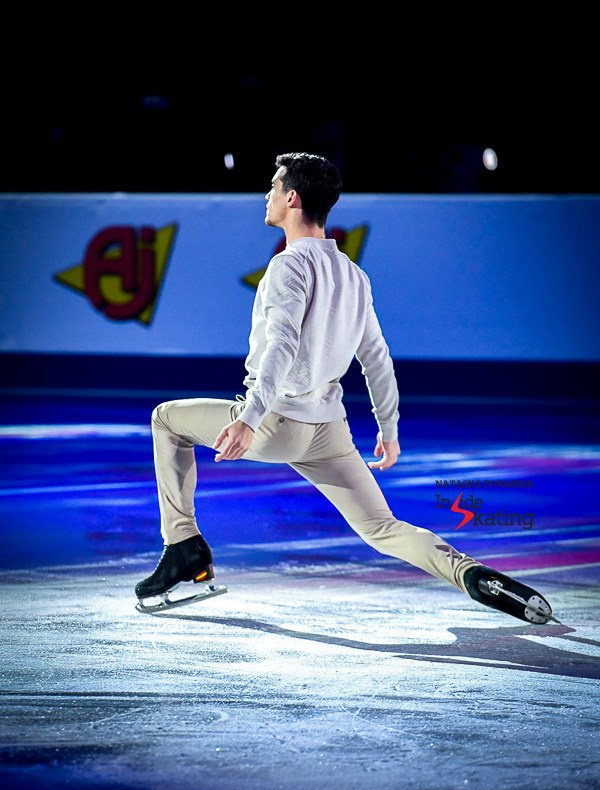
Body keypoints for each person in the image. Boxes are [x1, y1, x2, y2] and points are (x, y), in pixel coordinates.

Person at [135, 152, 559, 625]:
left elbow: (281, 345)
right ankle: (470, 574)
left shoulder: (287, 267)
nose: (268, 194)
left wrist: (248, 419)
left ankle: (184, 547)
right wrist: (389, 428)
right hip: (329, 430)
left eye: (274, 187)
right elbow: (376, 358)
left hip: (277, 421)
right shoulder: (355, 275)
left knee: (166, 419)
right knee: (382, 527)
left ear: (292, 198)